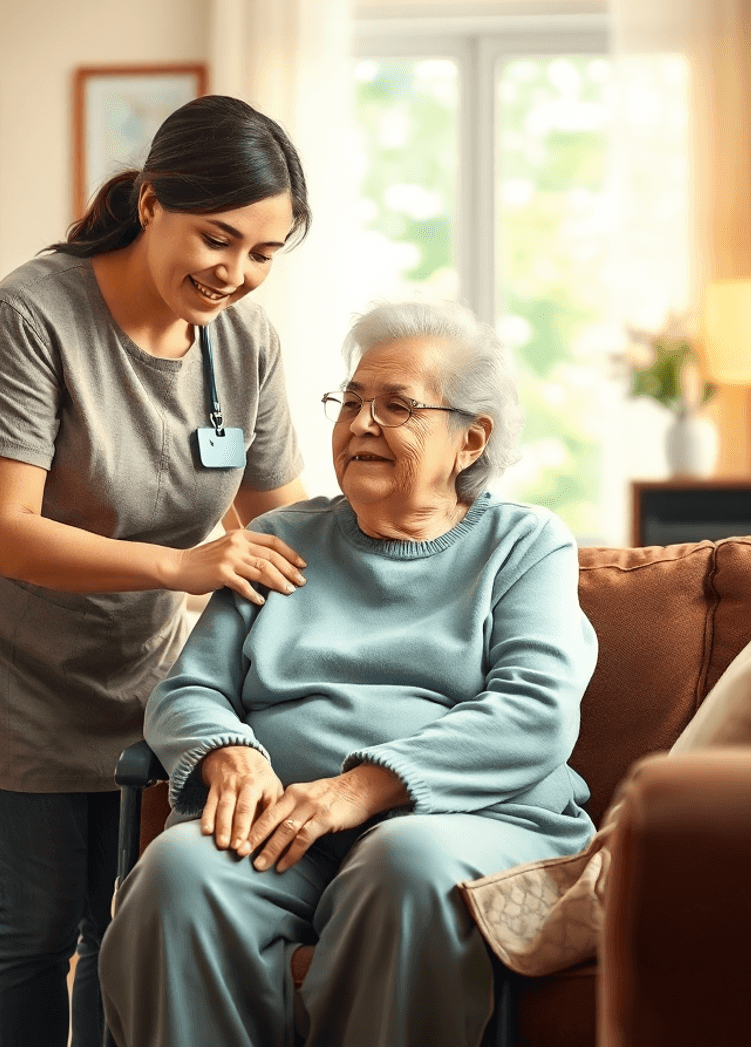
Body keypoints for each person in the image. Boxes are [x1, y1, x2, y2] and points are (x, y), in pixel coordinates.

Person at [0, 95, 313, 1047]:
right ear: (150, 202)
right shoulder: (33, 312)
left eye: (263, 253)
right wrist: (185, 565)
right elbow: (4, 535)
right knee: (38, 921)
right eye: (218, 239)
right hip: (16, 665)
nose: (235, 275)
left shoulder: (245, 342)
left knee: (120, 919)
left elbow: (286, 524)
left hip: (146, 669)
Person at [99, 299, 599, 1047]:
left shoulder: (524, 545)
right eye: (351, 402)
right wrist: (225, 753)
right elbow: (190, 689)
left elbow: (536, 710)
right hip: (284, 822)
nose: (362, 424)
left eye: (397, 406)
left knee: (401, 863)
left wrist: (358, 790)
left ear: (470, 440)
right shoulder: (279, 538)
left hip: (459, 823)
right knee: (176, 875)